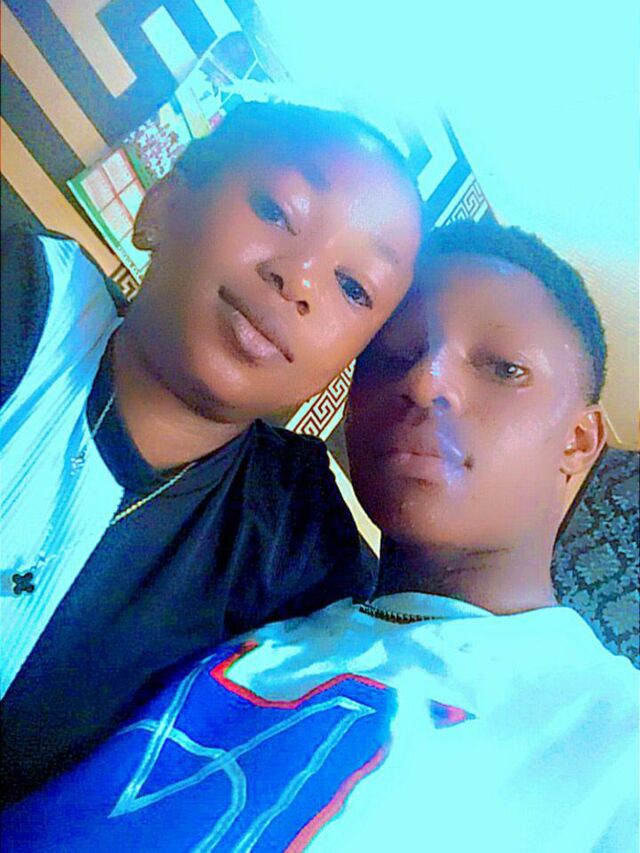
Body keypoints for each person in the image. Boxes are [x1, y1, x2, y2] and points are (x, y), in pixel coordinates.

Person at [3, 221, 637, 853]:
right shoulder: (258, 592)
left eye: (503, 369)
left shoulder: (606, 742)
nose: (423, 382)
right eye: (392, 354)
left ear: (578, 442)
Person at [0, 99, 422, 804]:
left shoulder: (293, 546)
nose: (300, 279)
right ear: (164, 203)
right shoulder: (27, 298)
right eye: (276, 209)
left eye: (353, 288)